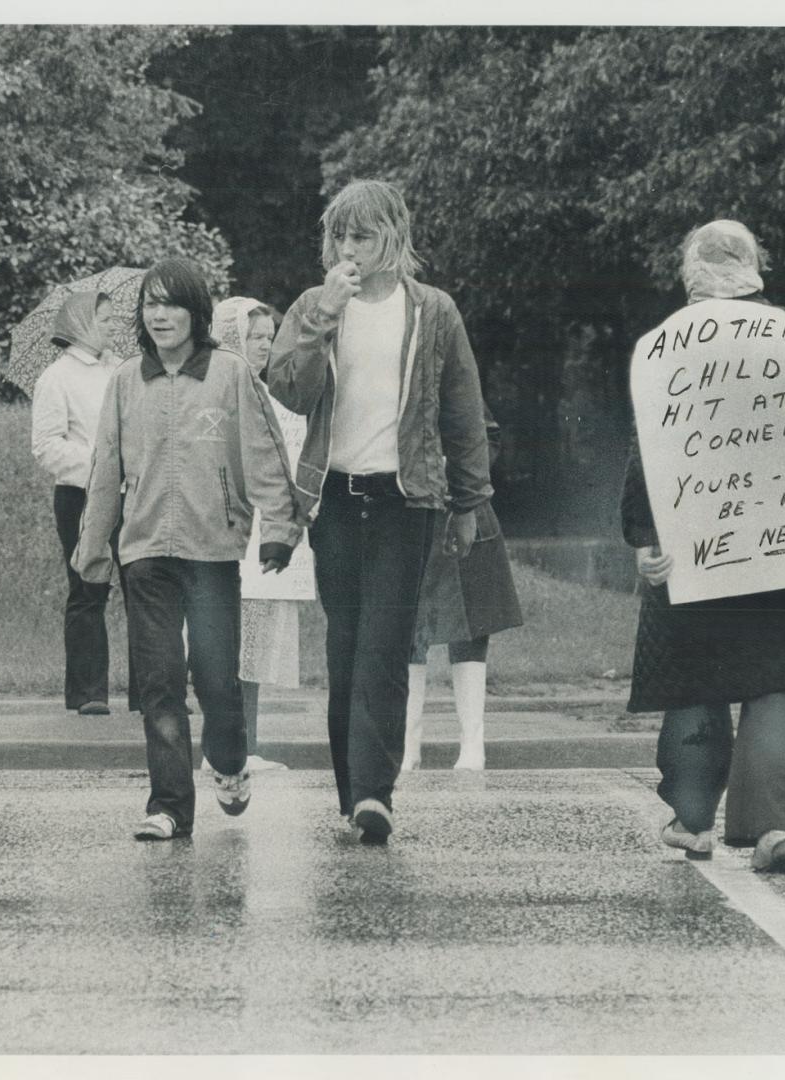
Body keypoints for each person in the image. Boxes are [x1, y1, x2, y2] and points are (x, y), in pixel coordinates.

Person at [621, 220, 785, 873]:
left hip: (696, 545)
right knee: (775, 680)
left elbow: (647, 453)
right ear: (753, 269)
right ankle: (772, 826)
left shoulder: (664, 346)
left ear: (690, 272)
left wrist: (640, 535)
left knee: (692, 673)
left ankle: (690, 821)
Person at [269, 179, 493, 843]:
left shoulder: (432, 311)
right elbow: (287, 386)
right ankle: (352, 792)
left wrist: (469, 501)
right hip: (335, 498)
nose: (349, 248)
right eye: (339, 235)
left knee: (384, 646)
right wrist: (321, 318)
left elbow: (461, 410)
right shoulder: (315, 305)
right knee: (344, 648)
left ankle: (375, 794)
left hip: (407, 498)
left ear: (394, 235)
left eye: (362, 235)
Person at [73, 258, 301, 841]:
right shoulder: (127, 380)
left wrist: (279, 525)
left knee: (217, 681)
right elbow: (105, 469)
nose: (159, 314)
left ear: (196, 313)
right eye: (150, 304)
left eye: (171, 303)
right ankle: (170, 806)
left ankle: (229, 761)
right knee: (160, 679)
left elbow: (263, 451)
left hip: (211, 547)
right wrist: (93, 548)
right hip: (144, 550)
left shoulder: (228, 374)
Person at [212, 297, 311, 773]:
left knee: (252, 648)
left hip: (264, 534)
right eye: (254, 339)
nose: (264, 348)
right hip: (230, 531)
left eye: (269, 340)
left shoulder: (273, 393)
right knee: (231, 646)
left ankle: (244, 745)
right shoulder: (220, 394)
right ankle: (233, 747)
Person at [30, 291, 136, 717]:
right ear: (78, 323)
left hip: (133, 493)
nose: (115, 325)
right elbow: (46, 447)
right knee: (89, 589)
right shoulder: (56, 378)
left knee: (144, 588)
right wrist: (100, 466)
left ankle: (151, 692)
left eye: (114, 318)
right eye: (106, 318)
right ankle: (89, 692)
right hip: (82, 496)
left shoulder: (125, 370)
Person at [401, 405, 523, 771]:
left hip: (464, 510)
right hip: (406, 513)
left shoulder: (452, 368)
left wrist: (458, 472)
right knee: (406, 628)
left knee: (472, 627)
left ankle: (473, 743)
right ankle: (407, 745)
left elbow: (488, 436)